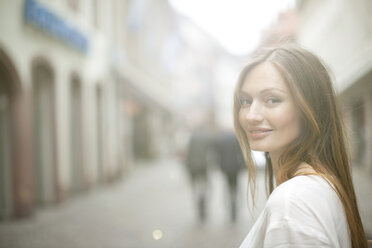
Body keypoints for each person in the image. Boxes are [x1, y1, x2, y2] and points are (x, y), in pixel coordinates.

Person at [234, 44, 369, 247]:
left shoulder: (294, 202)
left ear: (310, 109)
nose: (251, 115)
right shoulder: (315, 188)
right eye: (245, 101)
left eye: (272, 99)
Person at [214, 129, 245, 222]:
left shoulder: (221, 140)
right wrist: (243, 165)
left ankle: (230, 205)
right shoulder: (236, 139)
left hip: (226, 168)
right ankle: (234, 206)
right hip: (235, 167)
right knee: (235, 187)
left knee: (227, 187)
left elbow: (218, 155)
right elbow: (240, 153)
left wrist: (219, 166)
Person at [185, 124, 213, 222]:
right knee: (203, 187)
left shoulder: (192, 137)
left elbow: (188, 153)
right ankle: (202, 205)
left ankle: (198, 205)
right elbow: (211, 152)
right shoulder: (207, 137)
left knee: (195, 188)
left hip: (192, 167)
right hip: (203, 166)